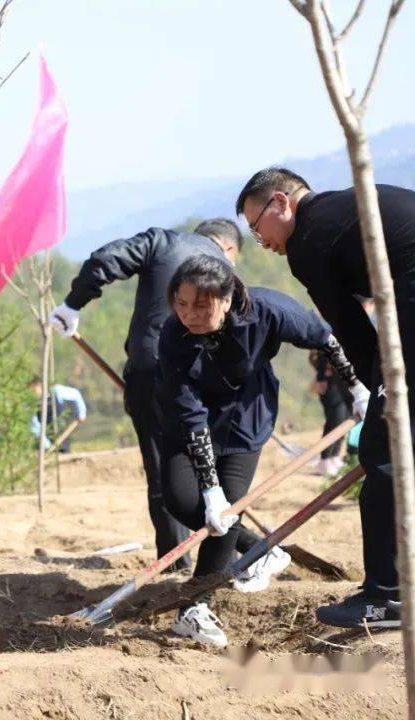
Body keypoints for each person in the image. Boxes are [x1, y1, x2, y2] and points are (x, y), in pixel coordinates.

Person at [157, 255, 367, 648]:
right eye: (181, 304)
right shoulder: (174, 334)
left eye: (201, 305)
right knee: (186, 502)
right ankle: (259, 551)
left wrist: (356, 388)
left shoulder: (267, 309)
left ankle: (193, 607)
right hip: (188, 423)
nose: (189, 315)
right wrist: (208, 488)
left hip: (244, 418)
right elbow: (188, 407)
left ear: (225, 298)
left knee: (226, 513)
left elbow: (323, 337)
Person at [236, 166, 409, 629]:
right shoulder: (341, 210)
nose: (263, 241)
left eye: (257, 227)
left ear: (280, 203)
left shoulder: (309, 242)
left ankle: (386, 599)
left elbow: (352, 332)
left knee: (383, 454)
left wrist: (376, 389)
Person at [49, 218, 242, 572]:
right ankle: (228, 560)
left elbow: (104, 260)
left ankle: (177, 566)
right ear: (229, 249)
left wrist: (73, 304)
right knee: (217, 470)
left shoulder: (160, 242)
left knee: (164, 472)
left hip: (151, 371)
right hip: (208, 381)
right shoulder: (225, 271)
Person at [308, 347, 353, 476]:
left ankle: (334, 457)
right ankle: (325, 459)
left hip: (345, 382)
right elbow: (324, 351)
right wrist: (321, 377)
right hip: (331, 382)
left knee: (344, 420)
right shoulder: (333, 332)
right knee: (334, 421)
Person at [28, 379, 87, 453]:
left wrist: (81, 414)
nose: (32, 393)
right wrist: (47, 445)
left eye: (34, 390)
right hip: (45, 439)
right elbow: (34, 427)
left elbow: (76, 395)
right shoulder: (30, 403)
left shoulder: (56, 391)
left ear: (40, 386)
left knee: (64, 454)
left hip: (61, 434)